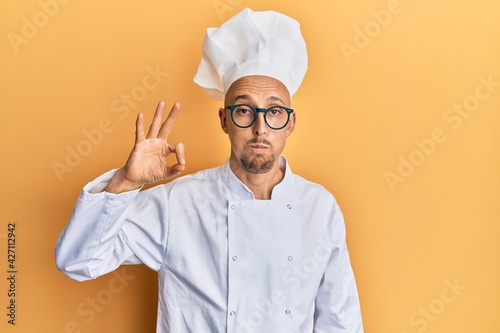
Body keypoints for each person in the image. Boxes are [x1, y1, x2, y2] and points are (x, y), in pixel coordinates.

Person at [55, 7, 364, 333]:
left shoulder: (319, 207)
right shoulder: (177, 203)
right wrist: (125, 182)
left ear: (290, 124)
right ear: (225, 120)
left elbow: (340, 321)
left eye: (274, 111)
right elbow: (77, 261)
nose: (260, 128)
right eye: (245, 110)